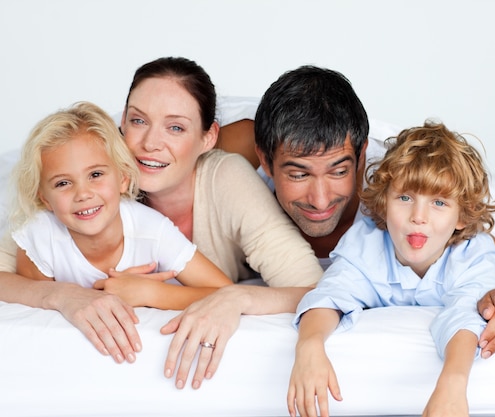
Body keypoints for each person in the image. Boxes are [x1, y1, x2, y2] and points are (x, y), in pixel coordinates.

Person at [0, 57, 324, 390]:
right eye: (139, 121)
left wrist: (160, 294)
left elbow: (317, 291)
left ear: (208, 137)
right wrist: (61, 295)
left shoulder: (225, 180)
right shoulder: (81, 187)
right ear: (122, 123)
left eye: (176, 127)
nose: (150, 143)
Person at [250, 65, 495, 359]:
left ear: (361, 159)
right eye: (299, 175)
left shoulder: (426, 218)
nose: (319, 200)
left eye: (338, 171)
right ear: (264, 162)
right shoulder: (238, 176)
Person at [287, 121, 495, 417]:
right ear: (384, 204)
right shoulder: (366, 245)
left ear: (462, 217)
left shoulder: (473, 255)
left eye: (439, 202)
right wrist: (309, 345)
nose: (419, 217)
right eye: (405, 198)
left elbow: (465, 314)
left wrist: (452, 382)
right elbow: (331, 294)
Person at [10, 101, 232, 310]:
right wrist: (100, 295)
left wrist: (150, 293)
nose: (83, 194)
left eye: (95, 174)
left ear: (123, 178)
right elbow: (36, 316)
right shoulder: (39, 236)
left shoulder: (152, 230)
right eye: (63, 183)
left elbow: (225, 293)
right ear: (45, 199)